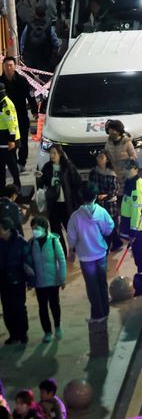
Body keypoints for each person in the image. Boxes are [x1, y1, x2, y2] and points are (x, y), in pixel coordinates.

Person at [66, 181, 114, 322]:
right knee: (102, 283)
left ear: (82, 196)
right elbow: (109, 228)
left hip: (86, 257)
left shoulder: (75, 216)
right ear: (95, 196)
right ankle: (105, 310)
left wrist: (71, 250)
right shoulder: (101, 212)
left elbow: (71, 237)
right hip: (101, 253)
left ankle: (97, 314)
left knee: (92, 286)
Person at [27, 215, 66, 342]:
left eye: (37, 228)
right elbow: (28, 261)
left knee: (54, 305)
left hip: (53, 280)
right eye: (33, 228)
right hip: (39, 282)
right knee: (42, 307)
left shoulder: (54, 241)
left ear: (44, 228)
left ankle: (57, 326)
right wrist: (29, 279)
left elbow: (61, 260)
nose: (34, 231)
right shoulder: (31, 243)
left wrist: (62, 278)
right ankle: (47, 332)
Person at [118, 160, 142, 287]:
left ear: (135, 169)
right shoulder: (130, 182)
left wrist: (133, 230)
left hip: (138, 228)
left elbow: (136, 209)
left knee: (140, 257)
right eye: (124, 169)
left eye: (127, 169)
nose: (125, 171)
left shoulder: (137, 184)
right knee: (138, 256)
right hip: (135, 227)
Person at [0, 57, 35, 171]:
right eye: (6, 65)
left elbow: (30, 96)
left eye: (10, 65)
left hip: (21, 116)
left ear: (15, 66)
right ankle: (14, 162)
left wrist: (34, 110)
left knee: (23, 141)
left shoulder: (22, 80)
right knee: (10, 141)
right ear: (3, 66)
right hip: (6, 119)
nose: (8, 68)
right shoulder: (0, 82)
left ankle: (22, 162)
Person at [0, 215, 30, 345]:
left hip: (17, 280)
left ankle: (23, 333)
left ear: (8, 229)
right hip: (3, 281)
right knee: (7, 308)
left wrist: (29, 280)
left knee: (19, 307)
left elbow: (27, 261)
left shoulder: (20, 242)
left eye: (1, 229)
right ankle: (13, 334)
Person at [0, 86, 19, 189]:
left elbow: (12, 122)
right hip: (2, 139)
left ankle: (17, 187)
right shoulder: (1, 102)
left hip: (8, 140)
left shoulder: (5, 103)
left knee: (12, 165)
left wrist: (11, 140)